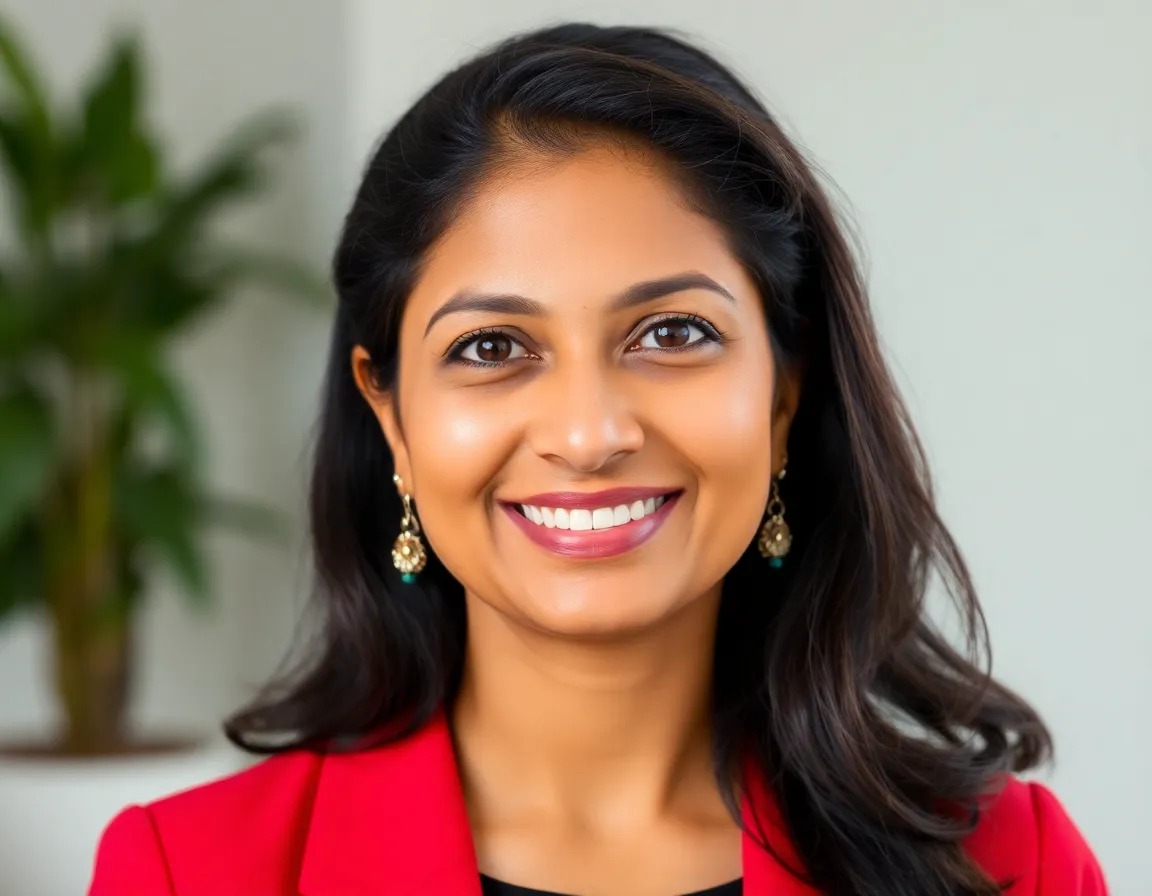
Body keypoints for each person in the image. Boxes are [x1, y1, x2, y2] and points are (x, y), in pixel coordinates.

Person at [88, 23, 1107, 896]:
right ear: (390, 412)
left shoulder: (1015, 862)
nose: (587, 433)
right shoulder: (190, 869)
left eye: (670, 333)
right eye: (492, 348)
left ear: (785, 390)